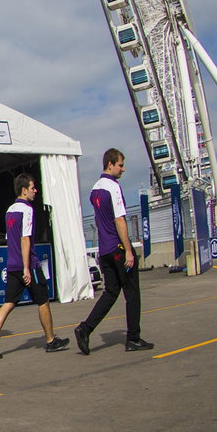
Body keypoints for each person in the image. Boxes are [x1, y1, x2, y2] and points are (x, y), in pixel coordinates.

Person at [0, 173, 70, 358]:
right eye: (32, 187)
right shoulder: (27, 210)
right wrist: (28, 267)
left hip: (12, 264)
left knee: (8, 303)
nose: (35, 191)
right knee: (43, 301)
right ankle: (51, 340)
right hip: (28, 264)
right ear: (24, 190)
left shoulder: (9, 210)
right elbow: (25, 239)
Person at [75, 148, 152, 354]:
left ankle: (85, 328)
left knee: (111, 292)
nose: (123, 169)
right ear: (110, 164)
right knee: (132, 293)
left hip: (104, 249)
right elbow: (119, 219)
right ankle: (133, 338)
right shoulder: (113, 187)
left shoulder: (94, 189)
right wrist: (128, 250)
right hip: (118, 248)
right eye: (120, 165)